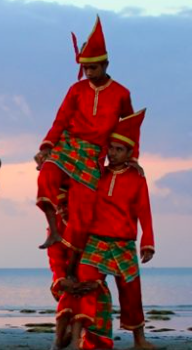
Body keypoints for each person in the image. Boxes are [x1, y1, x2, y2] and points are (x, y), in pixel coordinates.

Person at [34, 16, 142, 253]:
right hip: (68, 146)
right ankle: (53, 228)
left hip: (94, 155)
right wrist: (46, 147)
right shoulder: (76, 89)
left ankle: (74, 266)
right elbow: (60, 119)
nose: (89, 72)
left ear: (105, 64)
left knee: (82, 213)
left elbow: (130, 127)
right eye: (85, 68)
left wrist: (132, 159)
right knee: (46, 176)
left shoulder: (121, 93)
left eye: (93, 67)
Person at [71, 109, 156, 350]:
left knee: (131, 294)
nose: (113, 153)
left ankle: (139, 341)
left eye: (119, 150)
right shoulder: (98, 173)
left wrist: (147, 242)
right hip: (96, 242)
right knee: (85, 287)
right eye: (111, 148)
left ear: (130, 153)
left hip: (123, 243)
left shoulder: (137, 179)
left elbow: (145, 212)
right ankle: (86, 340)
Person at [47, 184, 113, 350]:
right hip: (66, 278)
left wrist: (92, 280)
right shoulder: (55, 226)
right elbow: (55, 258)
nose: (63, 210)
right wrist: (63, 280)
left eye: (66, 205)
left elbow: (101, 254)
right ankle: (61, 339)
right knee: (69, 294)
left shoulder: (93, 222)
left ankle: (75, 340)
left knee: (84, 293)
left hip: (89, 276)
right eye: (60, 206)